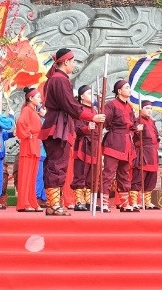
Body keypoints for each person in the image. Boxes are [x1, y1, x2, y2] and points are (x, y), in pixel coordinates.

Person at [39, 48, 105, 216]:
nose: (74, 64)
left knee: (55, 164)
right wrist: (92, 116)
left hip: (57, 124)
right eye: (73, 61)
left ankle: (53, 204)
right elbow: (71, 106)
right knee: (57, 165)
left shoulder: (55, 79)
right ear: (66, 62)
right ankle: (54, 205)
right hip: (58, 126)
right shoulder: (60, 80)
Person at [101, 80, 139, 213]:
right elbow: (106, 122)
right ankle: (104, 203)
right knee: (108, 174)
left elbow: (133, 123)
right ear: (119, 91)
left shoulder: (130, 107)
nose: (129, 90)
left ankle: (124, 204)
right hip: (114, 141)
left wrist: (137, 127)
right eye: (127, 87)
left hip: (127, 143)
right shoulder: (111, 105)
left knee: (124, 174)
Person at [15, 87, 44, 212]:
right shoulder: (26, 110)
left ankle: (31, 201)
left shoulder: (33, 111)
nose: (40, 99)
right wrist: (28, 134)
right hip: (28, 145)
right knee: (26, 175)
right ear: (30, 98)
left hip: (35, 145)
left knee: (32, 176)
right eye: (37, 97)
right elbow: (20, 123)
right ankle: (24, 203)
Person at [130, 100, 162, 211]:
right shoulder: (137, 121)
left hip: (152, 152)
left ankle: (147, 202)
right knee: (139, 177)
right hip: (142, 152)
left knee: (151, 177)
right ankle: (133, 201)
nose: (149, 111)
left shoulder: (152, 122)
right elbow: (132, 135)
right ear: (141, 109)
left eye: (151, 108)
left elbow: (156, 137)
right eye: (147, 108)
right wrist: (137, 131)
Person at [70, 85, 98, 211]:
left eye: (93, 93)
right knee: (80, 172)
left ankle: (88, 201)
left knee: (91, 175)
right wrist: (87, 129)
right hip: (83, 144)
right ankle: (78, 201)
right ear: (82, 96)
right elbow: (77, 128)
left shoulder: (95, 110)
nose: (92, 95)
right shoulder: (78, 110)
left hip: (95, 145)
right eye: (89, 93)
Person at [0, 105, 14, 210]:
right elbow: (8, 124)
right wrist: (11, 116)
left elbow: (2, 134)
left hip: (0, 152)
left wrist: (11, 135)